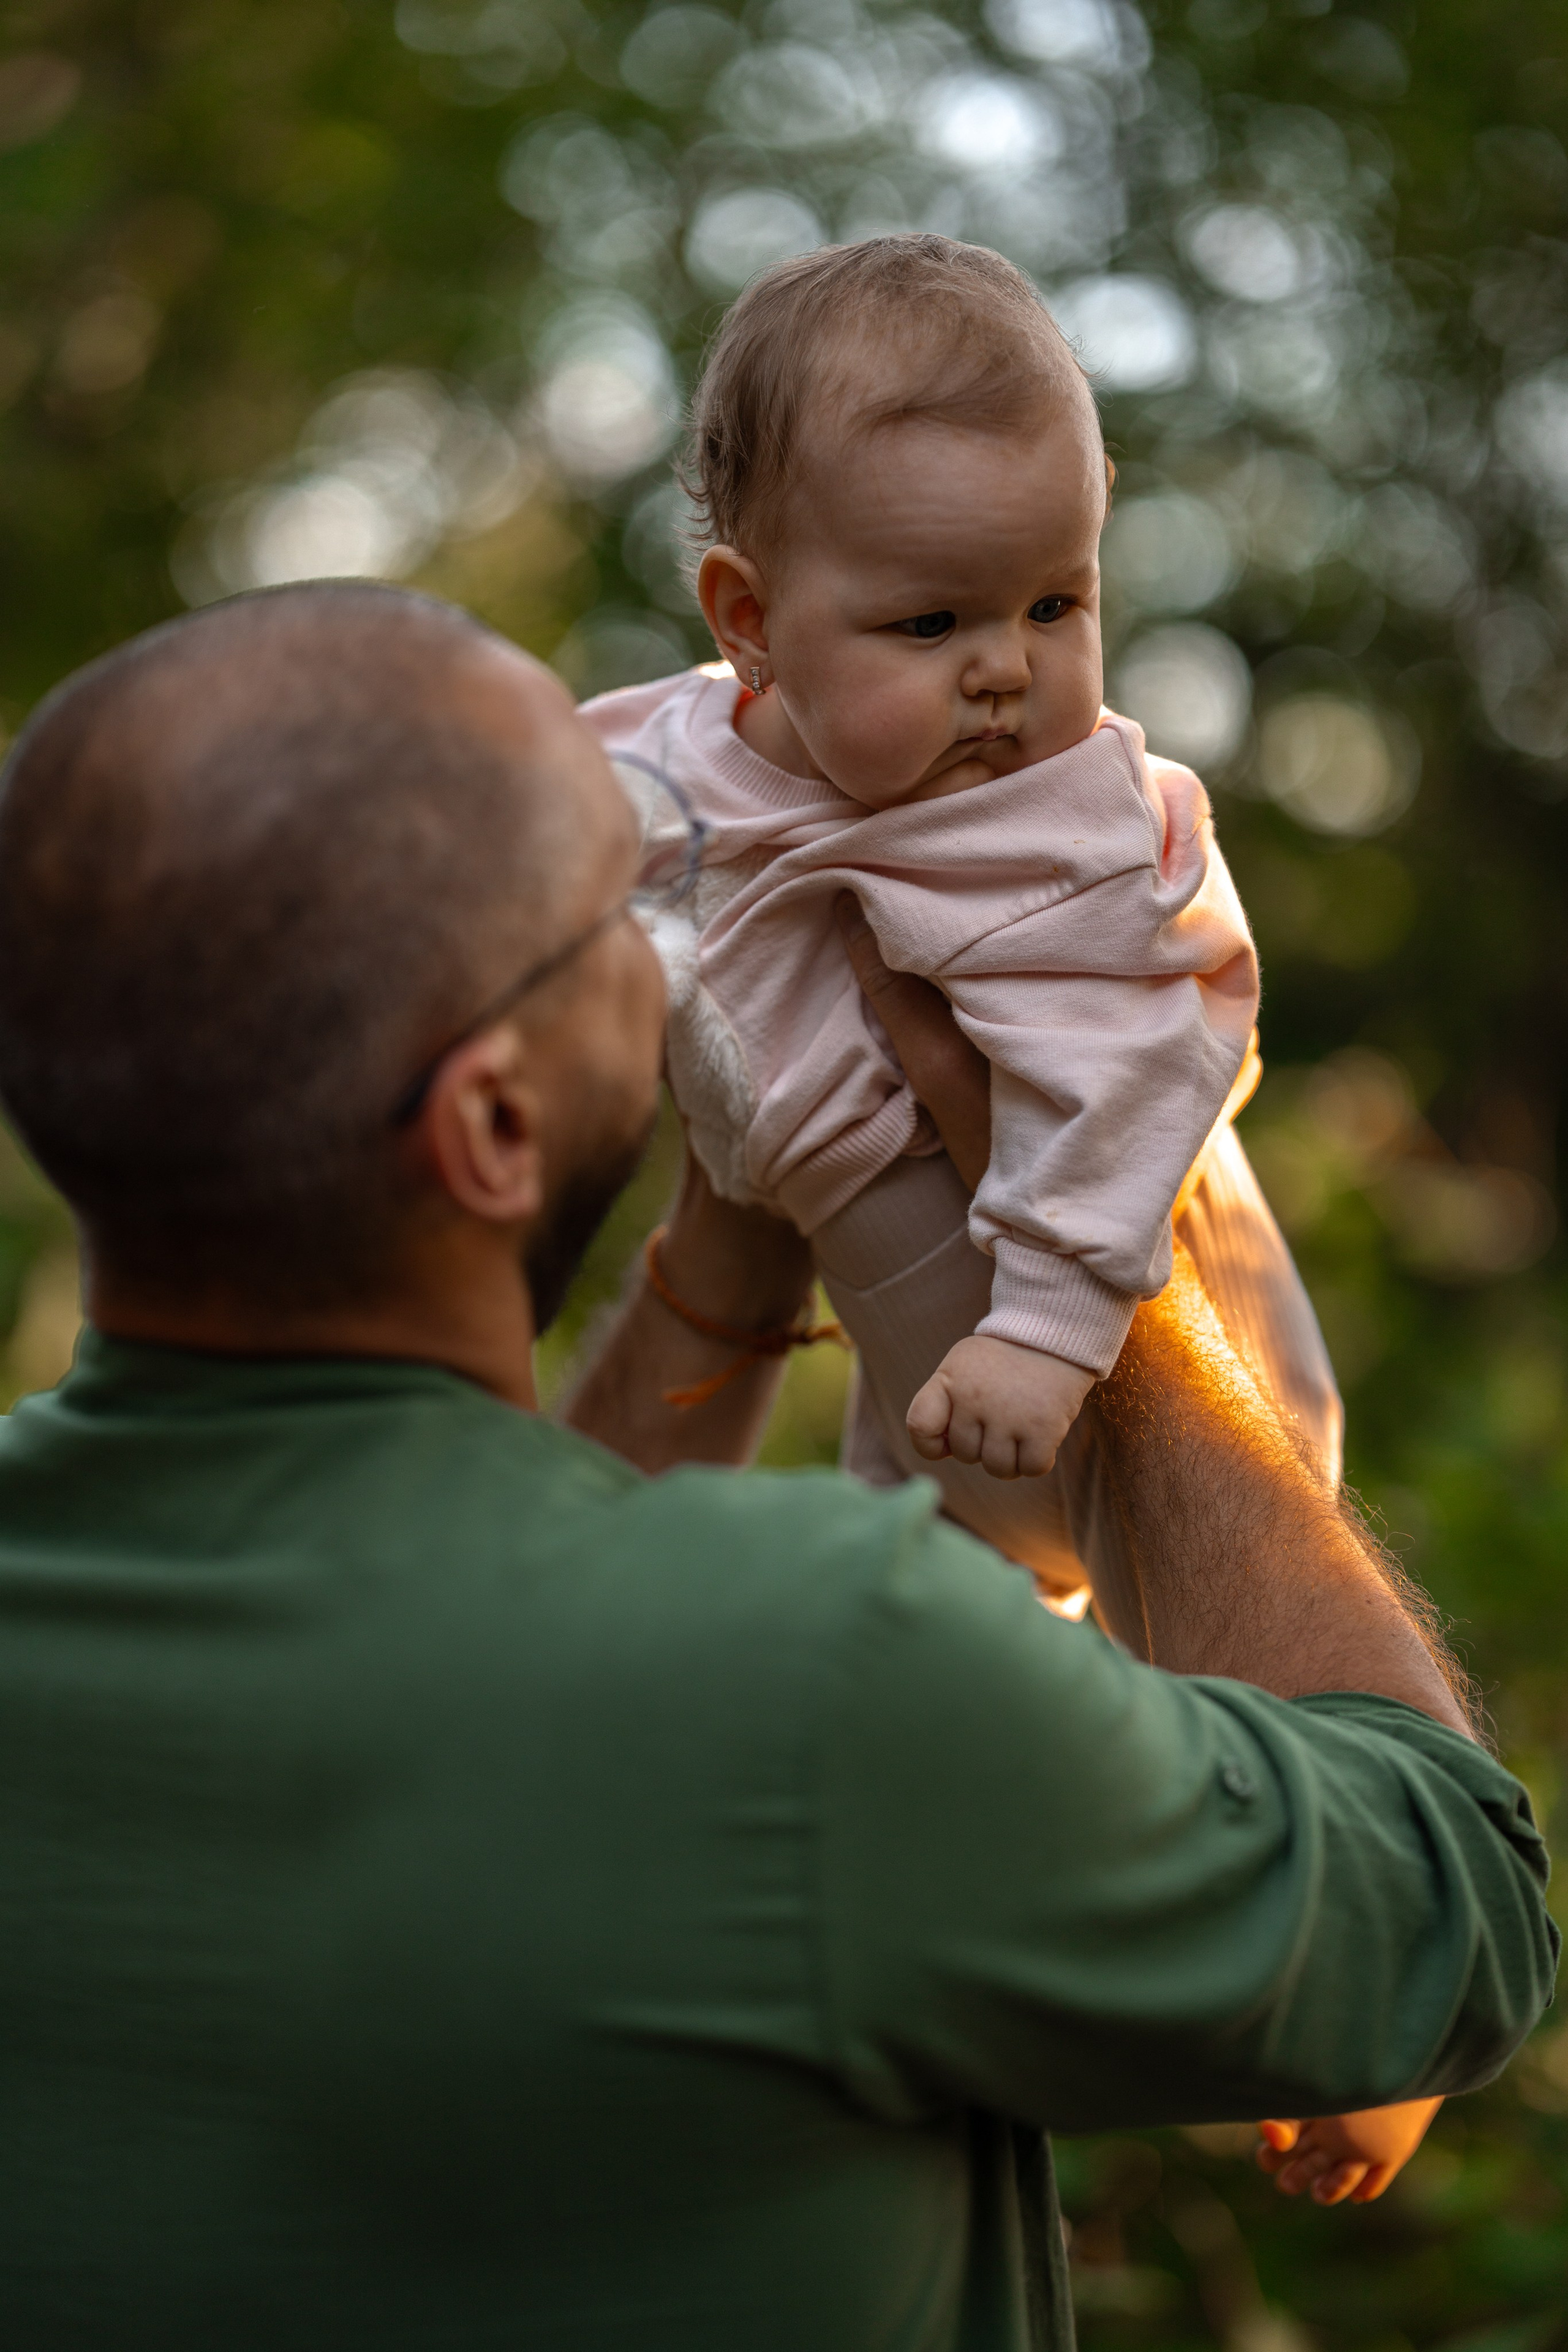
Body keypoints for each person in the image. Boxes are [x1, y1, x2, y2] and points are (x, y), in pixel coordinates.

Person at [0, 583, 1552, 2352]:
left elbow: (517, 1666)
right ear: (496, 1123)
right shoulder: (828, 1674)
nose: (688, 925)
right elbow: (1450, 1904)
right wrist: (1115, 1252)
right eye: (629, 895)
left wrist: (727, 1261)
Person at [582, 235, 1328, 1553]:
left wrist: (1046, 1329)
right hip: (908, 1377)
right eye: (929, 626)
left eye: (1053, 604)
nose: (1002, 670)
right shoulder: (662, 763)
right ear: (747, 619)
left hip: (1110, 1349)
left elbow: (1142, 1058)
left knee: (1192, 1650)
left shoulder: (1063, 829)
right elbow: (522, 825)